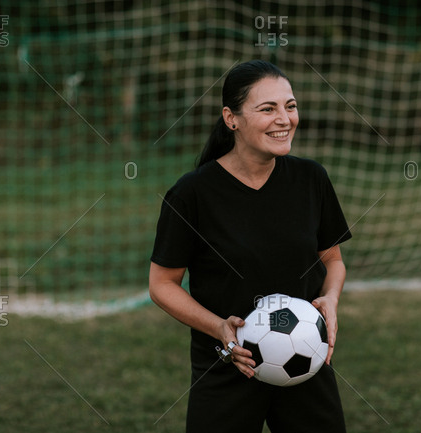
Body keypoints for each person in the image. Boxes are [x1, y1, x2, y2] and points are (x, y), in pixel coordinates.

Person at [149, 59, 352, 433]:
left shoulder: (311, 179)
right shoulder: (193, 194)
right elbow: (161, 284)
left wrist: (331, 299)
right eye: (268, 109)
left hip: (306, 362)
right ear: (231, 118)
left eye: (290, 106)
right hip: (227, 367)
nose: (284, 119)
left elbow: (333, 261)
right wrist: (218, 328)